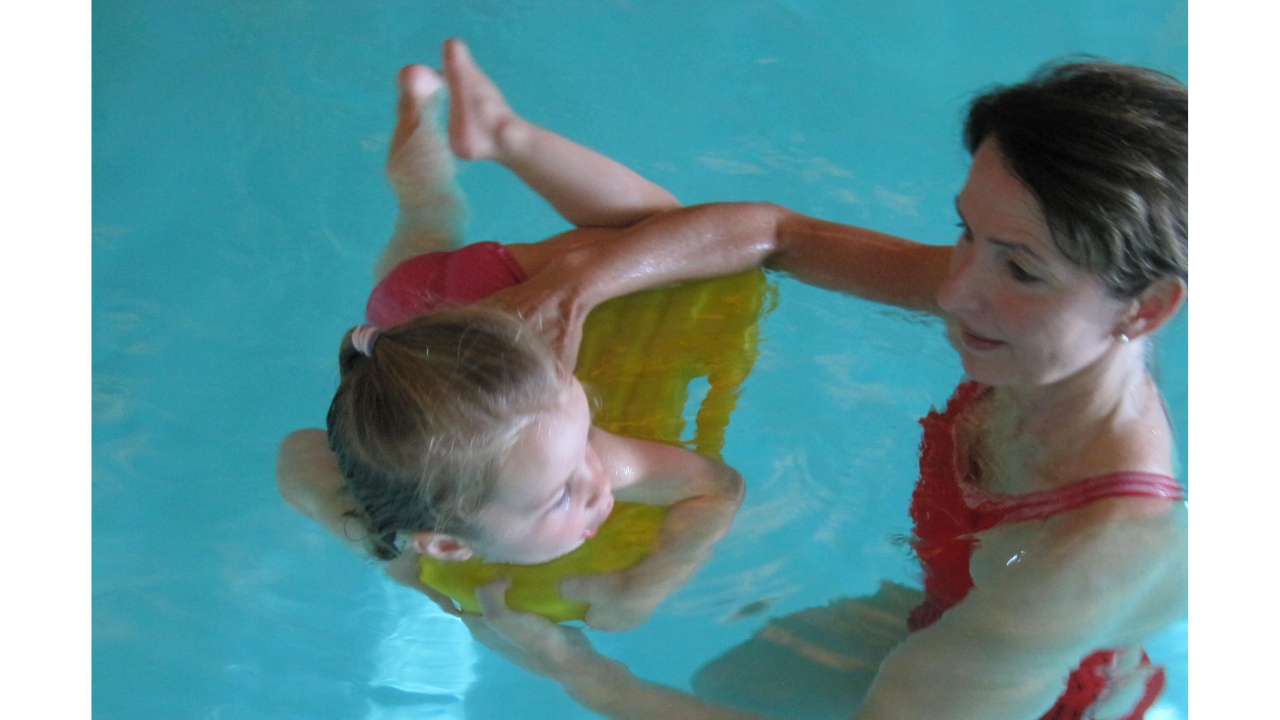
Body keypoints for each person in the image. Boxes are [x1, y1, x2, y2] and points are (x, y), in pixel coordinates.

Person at [464, 59, 1189, 720]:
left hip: (1036, 690)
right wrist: (575, 289)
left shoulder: (1086, 552)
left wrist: (581, 675)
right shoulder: (1051, 332)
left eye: (1021, 269)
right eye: (966, 232)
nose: (955, 290)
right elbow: (780, 235)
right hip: (967, 627)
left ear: (1146, 308)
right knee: (734, 680)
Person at [275, 40, 753, 632]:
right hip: (410, 307)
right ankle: (439, 114)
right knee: (430, 213)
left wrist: (643, 587)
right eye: (561, 495)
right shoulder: (529, 467)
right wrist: (403, 568)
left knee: (666, 230)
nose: (598, 484)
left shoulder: (589, 462)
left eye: (583, 444)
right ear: (445, 545)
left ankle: (474, 126)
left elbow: (717, 489)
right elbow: (297, 457)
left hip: (442, 303)